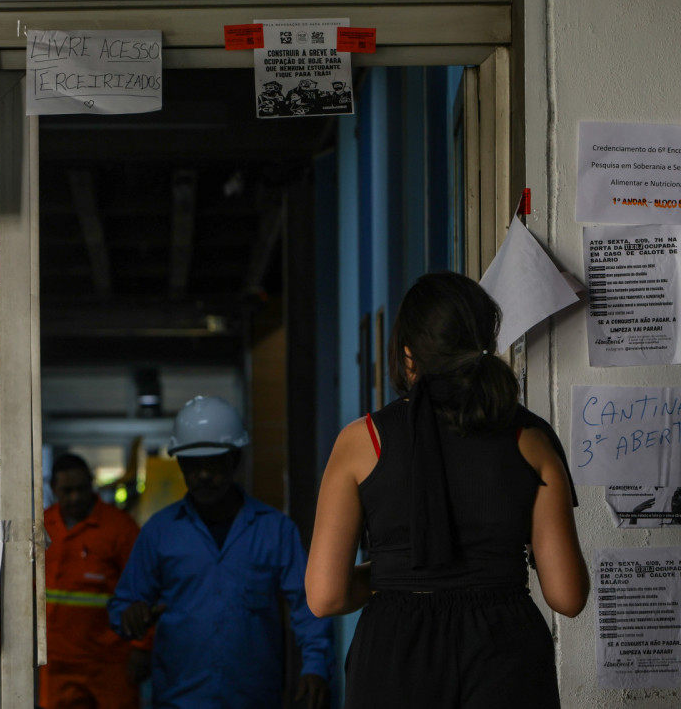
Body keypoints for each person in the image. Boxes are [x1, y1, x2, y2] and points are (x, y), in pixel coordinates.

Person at [306, 271, 589, 708]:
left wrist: (388, 574)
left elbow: (326, 596)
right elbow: (567, 596)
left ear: (408, 356)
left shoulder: (363, 441)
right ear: (483, 346)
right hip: (505, 649)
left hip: (394, 652)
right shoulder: (531, 439)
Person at [108, 396, 333, 709]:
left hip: (255, 699)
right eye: (192, 464)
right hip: (179, 699)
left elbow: (308, 606)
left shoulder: (275, 531)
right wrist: (130, 614)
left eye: (212, 463)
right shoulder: (160, 532)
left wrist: (315, 666)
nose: (202, 475)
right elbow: (122, 606)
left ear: (234, 461)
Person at [41, 453, 149, 709]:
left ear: (91, 483)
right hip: (57, 663)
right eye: (67, 491)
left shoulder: (120, 528)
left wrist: (143, 647)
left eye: (81, 489)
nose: (75, 497)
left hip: (110, 661)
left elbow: (146, 589)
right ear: (53, 489)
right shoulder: (42, 525)